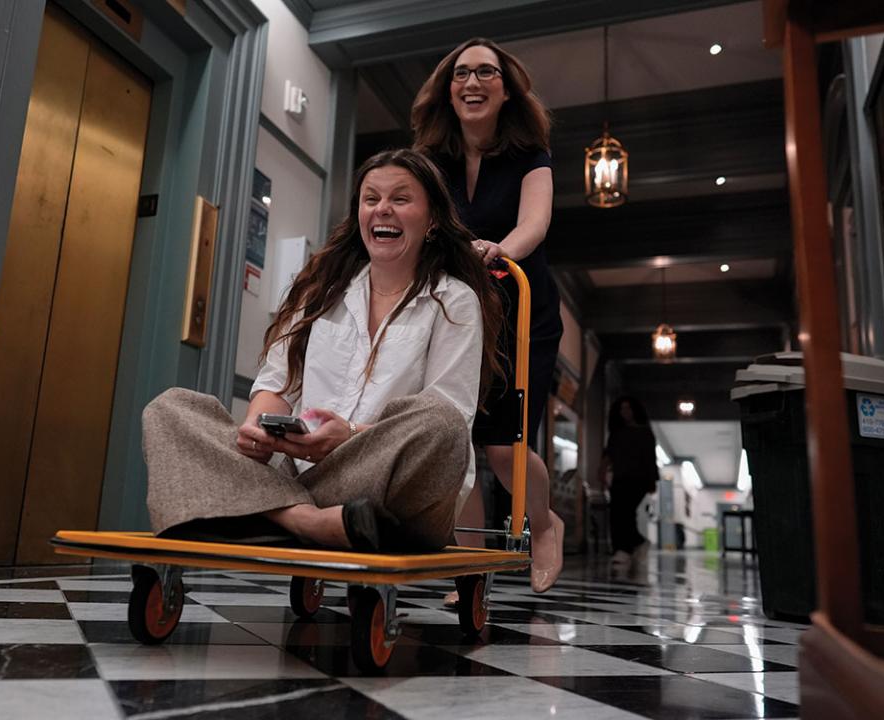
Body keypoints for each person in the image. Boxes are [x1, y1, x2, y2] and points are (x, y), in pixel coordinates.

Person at [142, 149, 503, 552]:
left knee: (442, 423)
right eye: (371, 199)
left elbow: (449, 413)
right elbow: (278, 385)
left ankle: (266, 513)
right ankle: (306, 520)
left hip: (384, 481)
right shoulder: (321, 290)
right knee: (170, 409)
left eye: (401, 199)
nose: (382, 209)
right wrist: (257, 430)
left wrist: (350, 435)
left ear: (432, 219)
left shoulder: (454, 300)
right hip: (299, 476)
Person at [412, 37, 565, 594]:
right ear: (447, 90)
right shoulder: (432, 161)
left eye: (485, 72)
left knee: (503, 447)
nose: (472, 82)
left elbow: (535, 224)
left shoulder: (530, 154)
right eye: (460, 74)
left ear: (506, 90)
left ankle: (543, 526)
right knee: (454, 443)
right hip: (455, 314)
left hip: (522, 313)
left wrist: (500, 250)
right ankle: (469, 567)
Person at [602, 396, 658, 571]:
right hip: (620, 477)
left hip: (638, 479)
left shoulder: (645, 433)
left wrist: (652, 481)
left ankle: (626, 548)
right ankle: (627, 547)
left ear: (635, 410)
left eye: (628, 408)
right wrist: (601, 471)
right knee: (618, 513)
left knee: (625, 511)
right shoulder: (617, 433)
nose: (624, 412)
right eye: (622, 409)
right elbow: (608, 454)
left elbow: (650, 458)